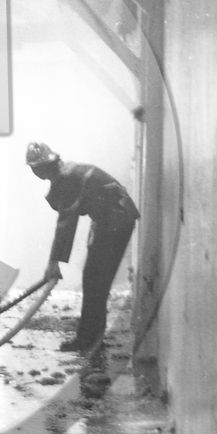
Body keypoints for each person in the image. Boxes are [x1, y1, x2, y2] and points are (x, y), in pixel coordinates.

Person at [26, 141, 139, 354]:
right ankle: (91, 338)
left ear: (39, 169)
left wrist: (53, 263)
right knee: (94, 279)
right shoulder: (67, 172)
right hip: (110, 218)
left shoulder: (66, 178)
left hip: (115, 219)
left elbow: (66, 222)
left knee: (95, 279)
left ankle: (89, 341)